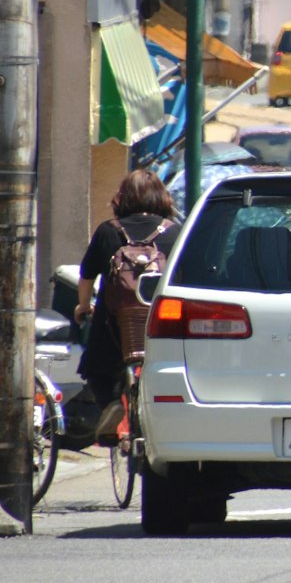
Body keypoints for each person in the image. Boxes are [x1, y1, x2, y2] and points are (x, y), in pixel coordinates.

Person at [77, 169, 181, 432]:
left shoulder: (107, 232)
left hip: (116, 324)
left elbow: (87, 276)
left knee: (96, 368)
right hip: (161, 323)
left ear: (122, 198)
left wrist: (84, 306)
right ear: (161, 197)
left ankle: (111, 404)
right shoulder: (174, 233)